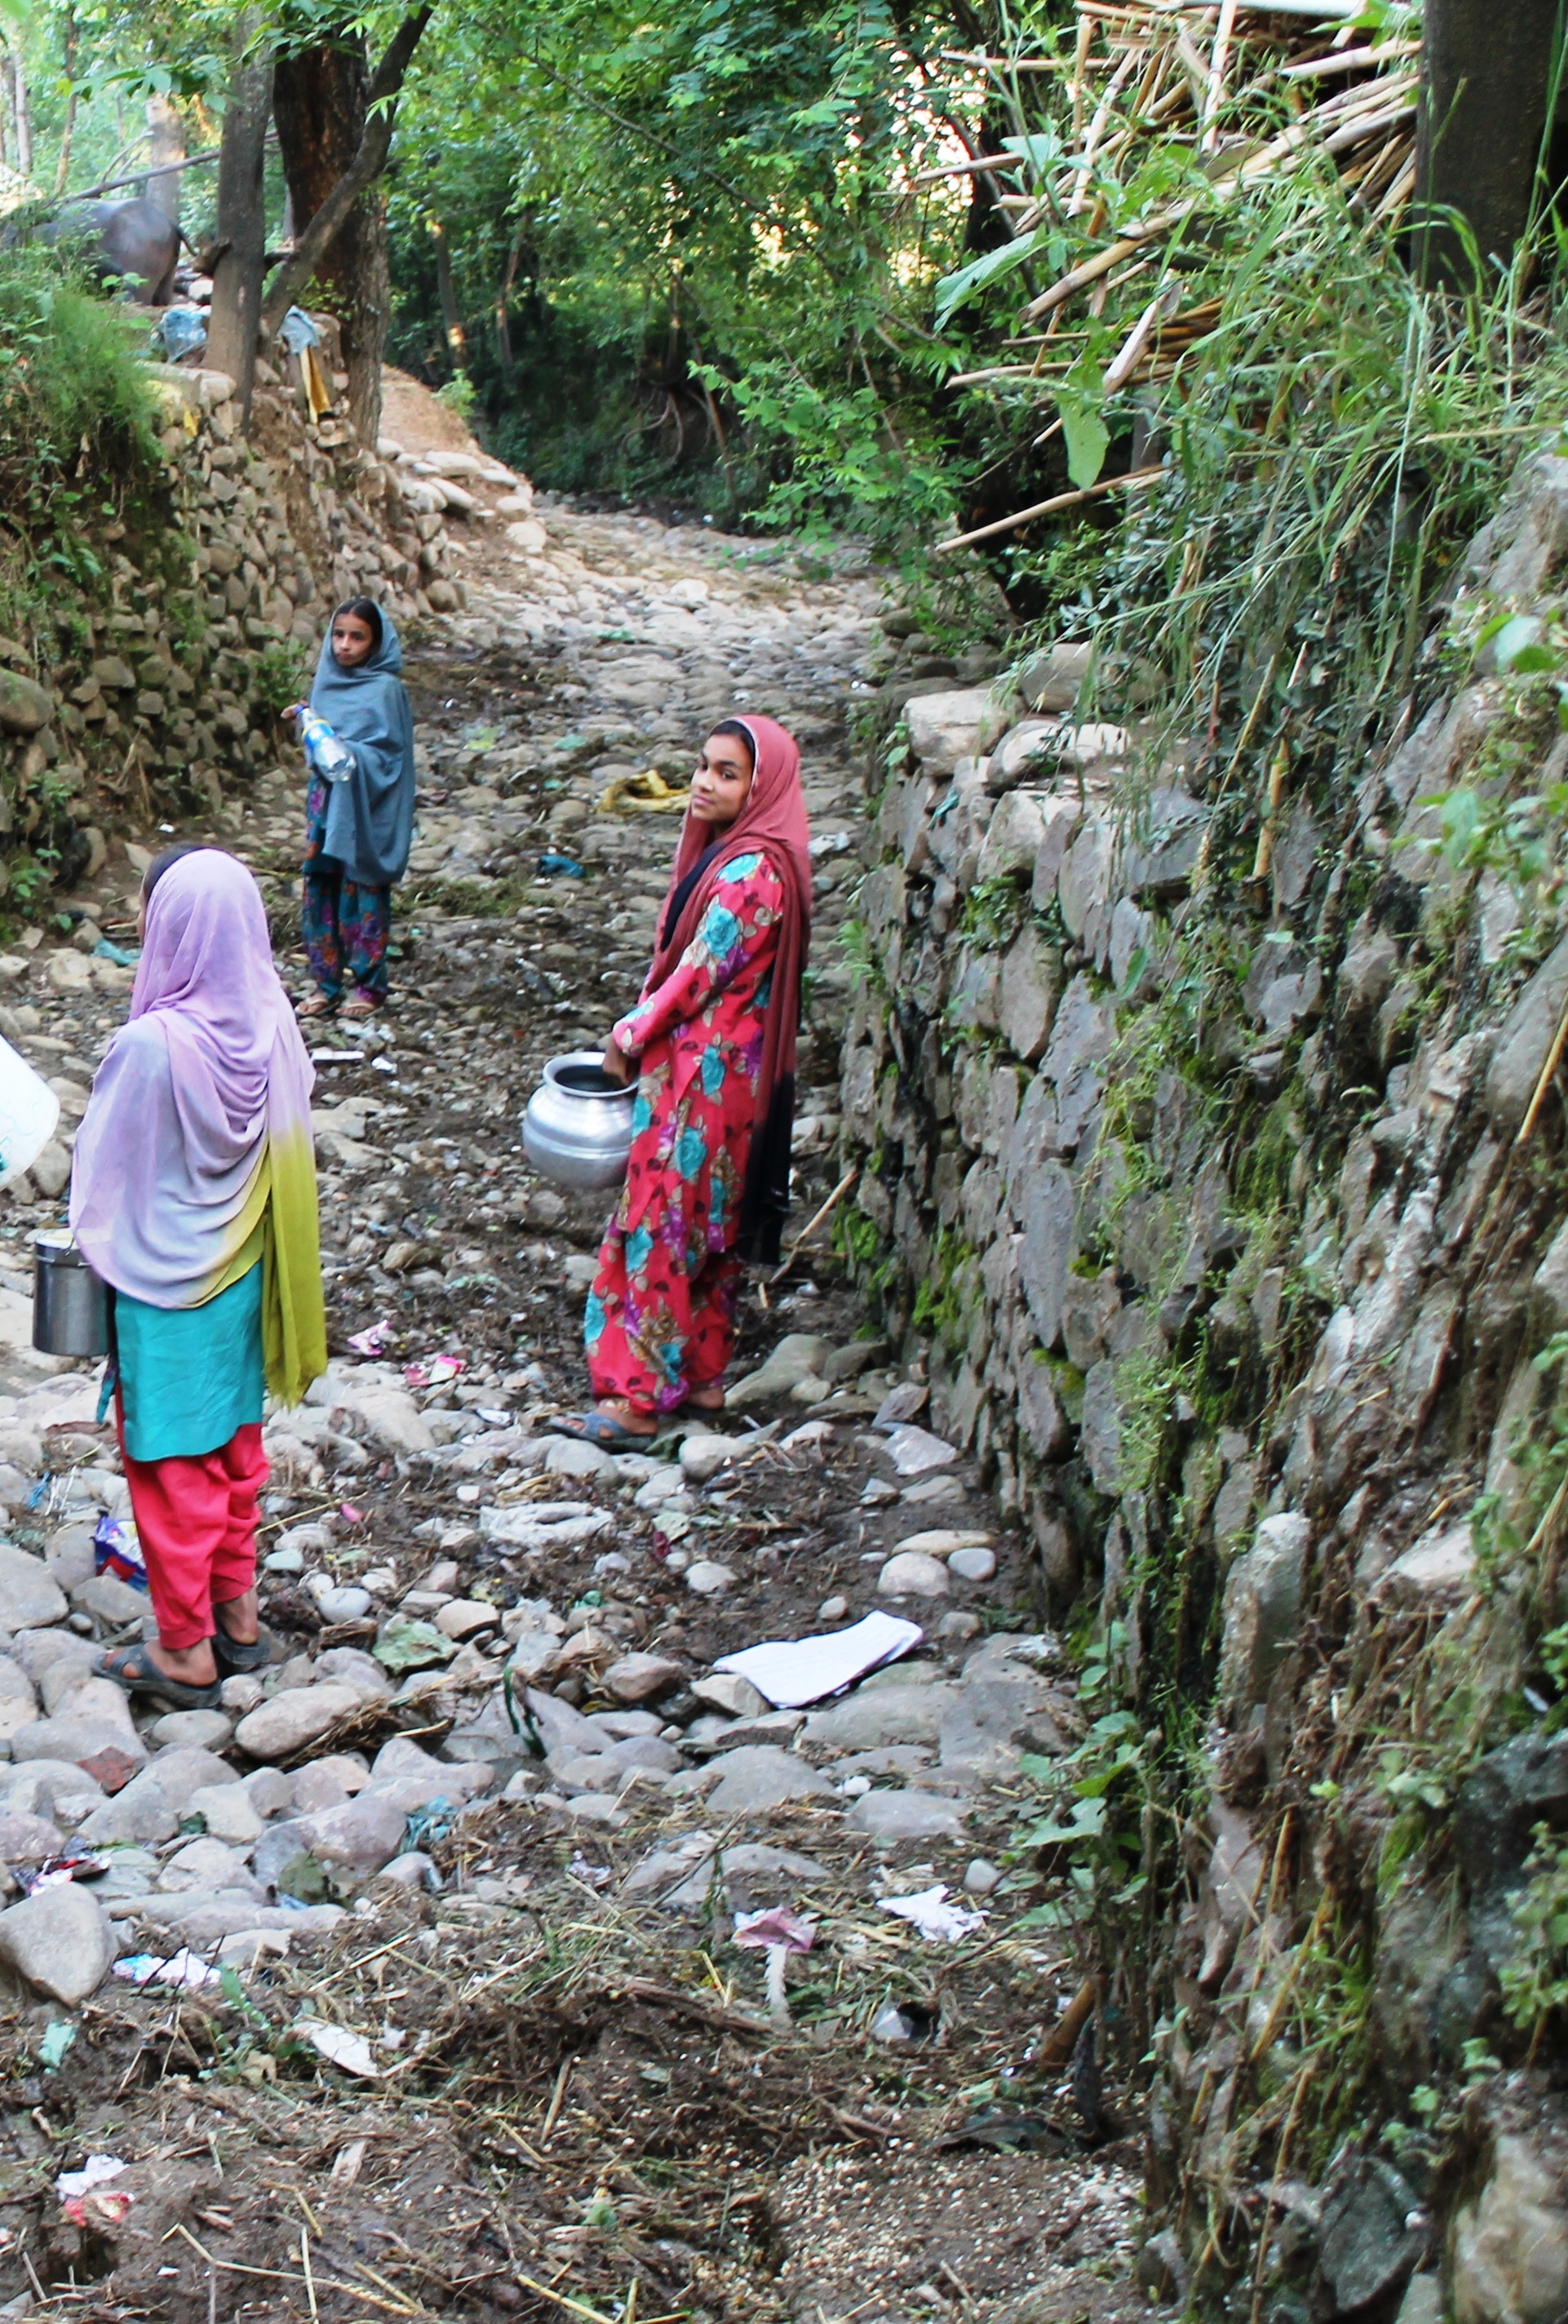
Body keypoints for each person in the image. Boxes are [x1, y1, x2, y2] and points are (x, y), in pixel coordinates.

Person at [69, 846, 328, 1710]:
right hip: (247, 1273)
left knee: (171, 1471)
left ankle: (183, 1651)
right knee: (233, 1452)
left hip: (165, 1287)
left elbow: (104, 1174)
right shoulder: (274, 1026)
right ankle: (238, 1621)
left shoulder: (152, 1045)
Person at [551, 716, 813, 1445]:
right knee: (708, 1221)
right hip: (732, 1079)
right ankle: (702, 1376)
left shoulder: (753, 874)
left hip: (701, 1079)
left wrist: (630, 1033)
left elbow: (700, 972)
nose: (704, 782)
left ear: (761, 788)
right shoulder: (748, 858)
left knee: (660, 1223)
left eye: (727, 773)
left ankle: (634, 1395)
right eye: (703, 767)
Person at [289, 597, 415, 1020]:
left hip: (365, 805)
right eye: (339, 635)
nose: (344, 645)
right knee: (321, 884)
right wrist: (308, 723)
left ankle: (368, 985)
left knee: (361, 889)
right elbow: (318, 749)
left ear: (376, 643)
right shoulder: (326, 682)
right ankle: (325, 982)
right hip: (328, 802)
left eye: (357, 637)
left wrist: (349, 754)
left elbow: (391, 757)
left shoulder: (386, 690)